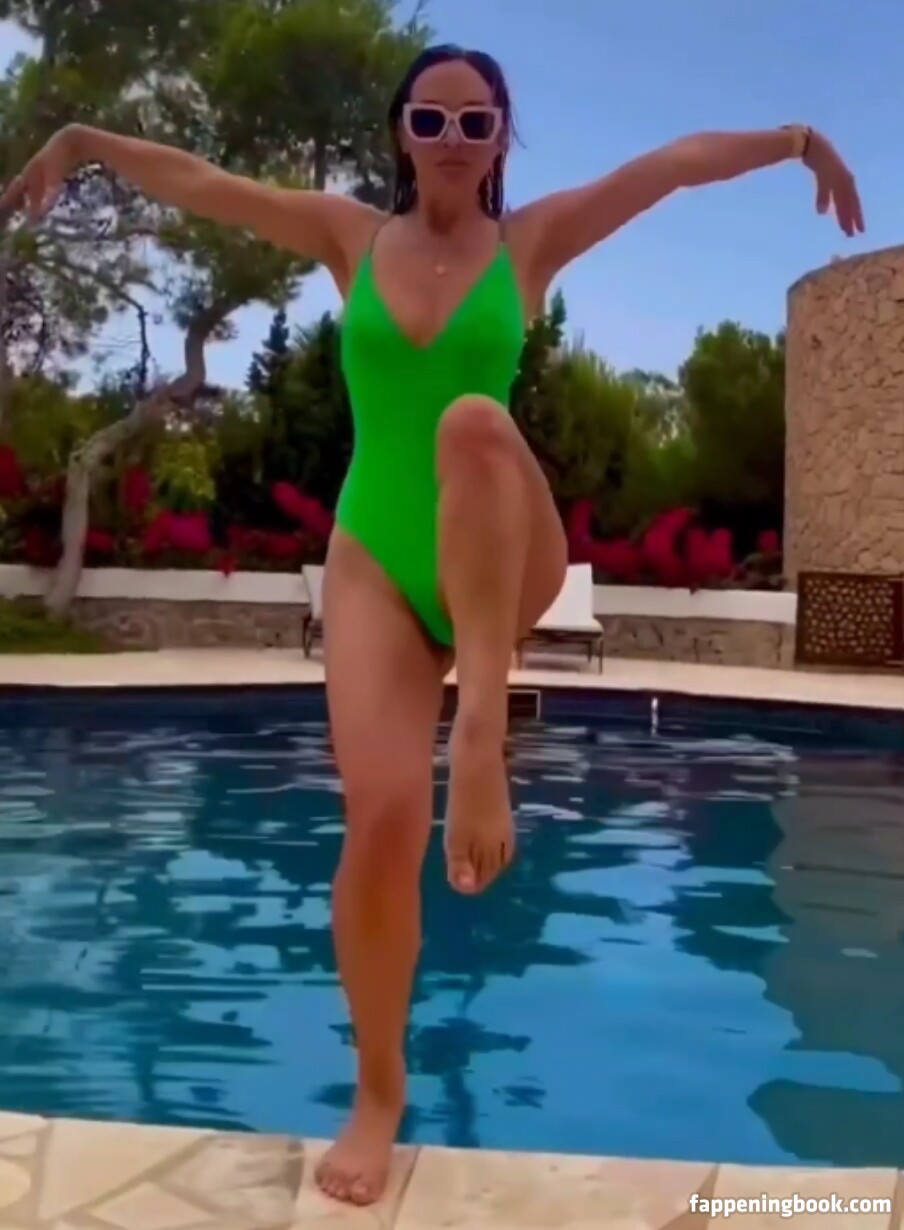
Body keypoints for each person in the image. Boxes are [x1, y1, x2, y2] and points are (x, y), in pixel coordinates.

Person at [1, 42, 863, 1206]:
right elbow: (208, 185)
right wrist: (84, 142)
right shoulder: (347, 237)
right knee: (380, 821)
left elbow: (667, 165)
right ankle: (377, 1090)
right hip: (378, 553)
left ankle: (483, 734)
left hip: (504, 546)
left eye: (474, 122)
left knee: (469, 420)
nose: (452, 141)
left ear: (501, 136)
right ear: (400, 131)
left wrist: (796, 143)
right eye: (430, 119)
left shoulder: (532, 242)